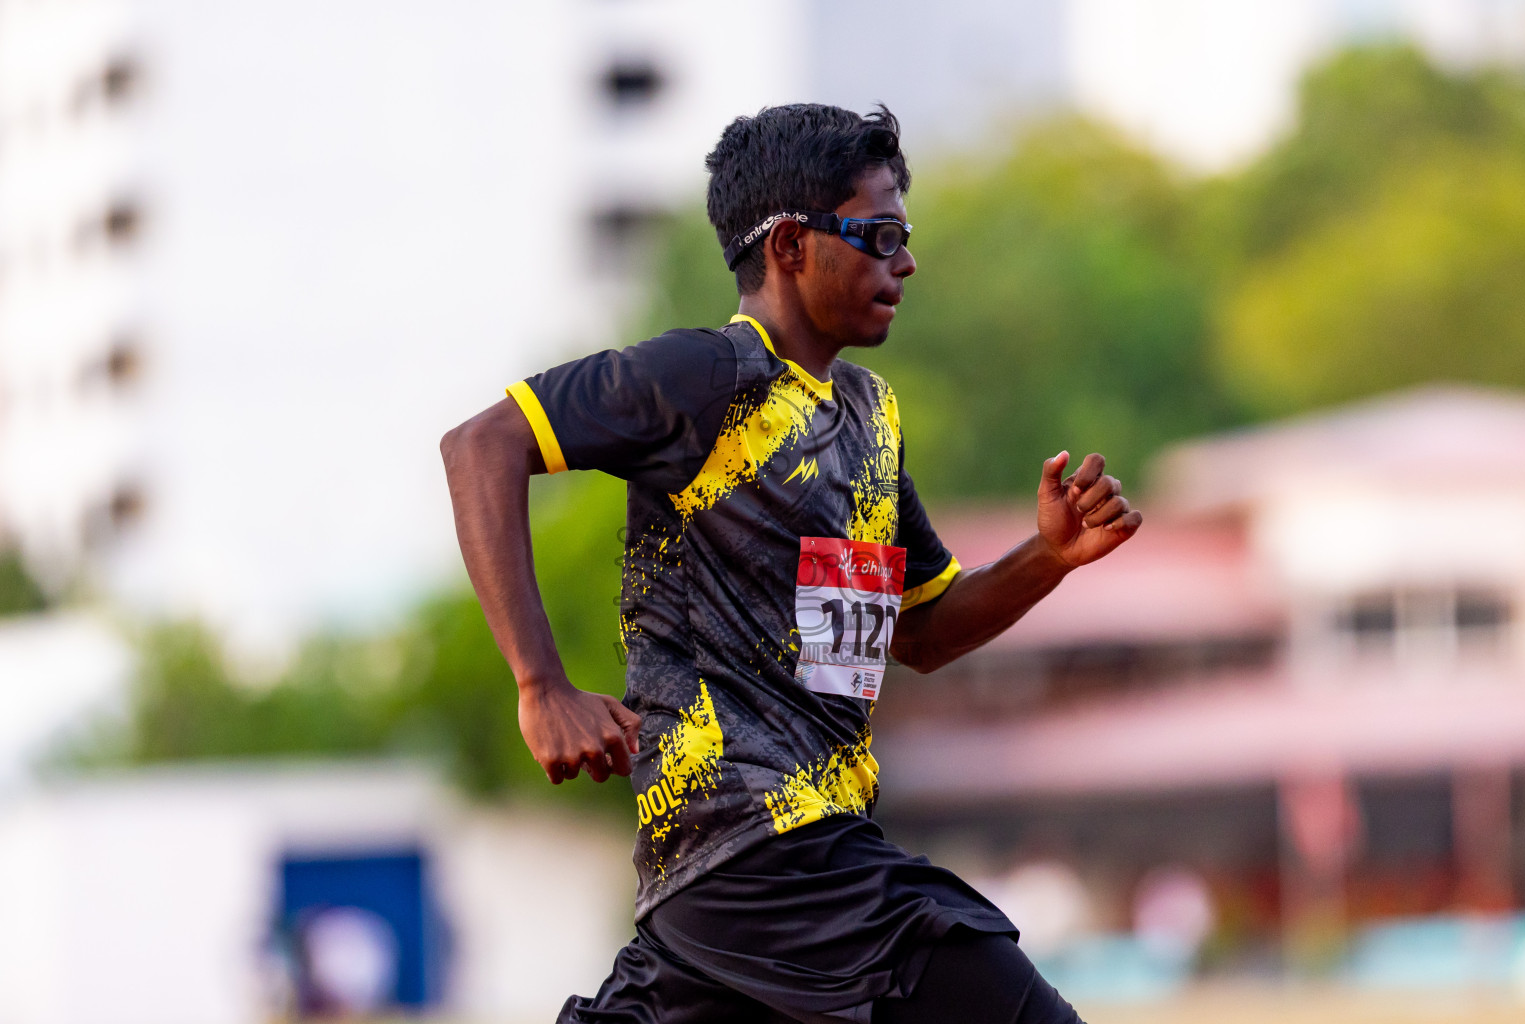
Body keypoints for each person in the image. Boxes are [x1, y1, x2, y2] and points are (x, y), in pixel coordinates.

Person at [441, 103, 1142, 1024]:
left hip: (755, 872)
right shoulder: (708, 377)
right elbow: (480, 446)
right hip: (758, 843)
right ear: (788, 247)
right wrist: (541, 684)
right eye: (880, 233)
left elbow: (922, 629)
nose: (906, 261)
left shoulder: (867, 415)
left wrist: (1048, 557)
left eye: (906, 234)